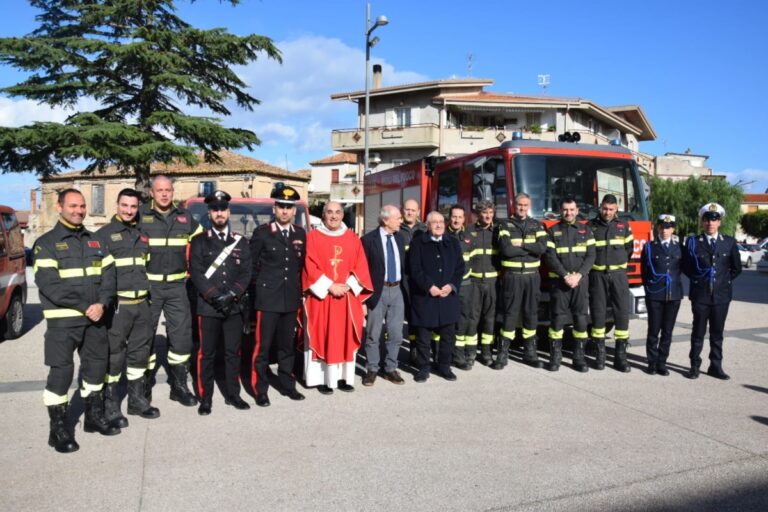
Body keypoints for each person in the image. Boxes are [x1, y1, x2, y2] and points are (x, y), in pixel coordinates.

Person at [35, 188, 119, 453]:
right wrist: (86, 306)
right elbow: (50, 285)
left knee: (95, 369)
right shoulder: (45, 244)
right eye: (73, 206)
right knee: (61, 374)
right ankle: (58, 430)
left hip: (95, 320)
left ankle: (93, 418)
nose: (79, 210)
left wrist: (103, 303)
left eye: (82, 206)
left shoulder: (96, 242)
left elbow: (109, 277)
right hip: (63, 323)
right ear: (59, 208)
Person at [96, 189, 160, 427]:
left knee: (139, 354)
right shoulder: (103, 235)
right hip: (118, 307)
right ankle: (110, 406)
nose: (129, 211)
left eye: (133, 207)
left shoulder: (143, 236)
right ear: (117, 205)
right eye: (125, 205)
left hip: (142, 304)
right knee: (114, 356)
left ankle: (136, 401)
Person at [139, 175, 202, 407]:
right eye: (160, 190)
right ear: (152, 193)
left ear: (172, 192)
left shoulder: (185, 218)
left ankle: (179, 386)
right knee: (144, 337)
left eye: (168, 190)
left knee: (182, 338)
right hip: (149, 288)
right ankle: (143, 385)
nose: (164, 194)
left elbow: (202, 244)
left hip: (177, 287)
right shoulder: (140, 216)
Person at [189, 190, 252, 415]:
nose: (219, 213)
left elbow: (246, 272)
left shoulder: (241, 242)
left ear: (229, 212)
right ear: (209, 213)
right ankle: (206, 398)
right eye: (215, 209)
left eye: (222, 209)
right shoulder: (199, 241)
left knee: (232, 353)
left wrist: (232, 294)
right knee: (206, 354)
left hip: (233, 307)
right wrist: (215, 295)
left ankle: (233, 394)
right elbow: (196, 272)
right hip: (209, 306)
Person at [302, 201, 373, 393]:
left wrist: (348, 286)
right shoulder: (313, 238)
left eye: (338, 212)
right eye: (330, 212)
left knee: (345, 336)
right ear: (323, 215)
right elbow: (309, 266)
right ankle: (323, 379)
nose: (334, 216)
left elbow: (361, 267)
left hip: (347, 298)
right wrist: (330, 286)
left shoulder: (352, 238)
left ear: (343, 215)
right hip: (322, 299)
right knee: (323, 335)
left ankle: (345, 378)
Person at [249, 184, 307, 405]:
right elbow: (252, 266)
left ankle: (287, 384)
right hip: (268, 300)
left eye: (289, 207)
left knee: (286, 347)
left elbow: (301, 266)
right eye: (281, 206)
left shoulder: (300, 234)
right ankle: (260, 389)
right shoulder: (262, 233)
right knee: (262, 348)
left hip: (290, 299)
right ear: (274, 209)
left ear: (294, 211)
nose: (285, 211)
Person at [682, 202, 742, 380]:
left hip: (721, 296)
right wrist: (698, 279)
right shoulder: (693, 242)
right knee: (698, 332)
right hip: (700, 295)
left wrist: (723, 281)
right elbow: (686, 265)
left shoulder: (729, 242)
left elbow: (736, 268)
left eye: (714, 220)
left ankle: (716, 366)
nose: (710, 223)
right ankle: (694, 365)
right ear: (702, 222)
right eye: (707, 219)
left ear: (719, 222)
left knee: (717, 334)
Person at [408, 211, 465, 382]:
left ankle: (444, 366)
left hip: (448, 297)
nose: (439, 225)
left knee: (448, 336)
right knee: (423, 337)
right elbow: (415, 269)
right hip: (426, 298)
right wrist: (429, 286)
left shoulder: (453, 243)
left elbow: (460, 268)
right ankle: (424, 368)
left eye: (441, 221)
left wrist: (451, 286)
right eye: (435, 222)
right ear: (427, 225)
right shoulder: (418, 243)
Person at [495, 193, 547, 370]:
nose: (522, 208)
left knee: (531, 313)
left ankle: (530, 353)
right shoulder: (504, 225)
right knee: (510, 314)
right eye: (519, 205)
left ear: (529, 206)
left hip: (532, 276)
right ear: (513, 205)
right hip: (513, 276)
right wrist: (530, 250)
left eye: (525, 205)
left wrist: (522, 246)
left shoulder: (537, 225)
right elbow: (507, 251)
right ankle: (503, 354)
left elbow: (542, 248)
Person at [545, 197, 596, 372]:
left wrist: (579, 275)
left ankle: (579, 358)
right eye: (566, 209)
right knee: (557, 319)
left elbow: (591, 256)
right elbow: (550, 257)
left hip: (580, 283)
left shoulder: (586, 230)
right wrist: (566, 275)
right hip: (560, 283)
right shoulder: (552, 231)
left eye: (572, 209)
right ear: (561, 210)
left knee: (581, 319)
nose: (569, 213)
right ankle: (555, 358)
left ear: (577, 210)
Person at [361, 205, 407, 386]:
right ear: (386, 220)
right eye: (398, 218)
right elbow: (362, 271)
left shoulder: (400, 238)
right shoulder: (368, 240)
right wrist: (364, 298)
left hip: (397, 290)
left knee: (396, 333)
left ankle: (390, 369)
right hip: (377, 292)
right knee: (373, 333)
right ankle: (372, 369)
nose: (401, 221)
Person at [589, 194, 634, 372]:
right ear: (600, 207)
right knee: (598, 313)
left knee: (621, 313)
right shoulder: (591, 227)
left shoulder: (624, 226)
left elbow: (628, 250)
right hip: (597, 275)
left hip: (618, 275)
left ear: (616, 209)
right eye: (605, 209)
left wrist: (617, 265)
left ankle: (620, 357)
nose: (607, 212)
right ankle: (600, 356)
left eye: (611, 209)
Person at [641, 214, 683, 376]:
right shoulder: (649, 247)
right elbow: (645, 272)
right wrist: (650, 289)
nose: (665, 230)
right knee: (653, 330)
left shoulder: (680, 247)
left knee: (667, 331)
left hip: (673, 295)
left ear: (673, 229)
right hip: (655, 295)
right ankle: (652, 362)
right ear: (657, 228)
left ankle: (662, 362)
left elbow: (682, 269)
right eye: (662, 227)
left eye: (668, 227)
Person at [461, 200, 500, 367]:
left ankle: (486, 352)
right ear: (478, 214)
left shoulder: (498, 231)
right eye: (485, 213)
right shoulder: (469, 231)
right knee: (473, 318)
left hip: (492, 282)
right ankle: (470, 353)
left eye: (491, 212)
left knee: (489, 319)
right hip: (475, 282)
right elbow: (465, 257)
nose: (488, 216)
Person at [446, 204, 473, 370]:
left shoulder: (470, 236)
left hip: (465, 285)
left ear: (464, 219)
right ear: (450, 217)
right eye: (454, 216)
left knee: (463, 322)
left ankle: (459, 355)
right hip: (447, 287)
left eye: (460, 217)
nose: (456, 220)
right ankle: (444, 355)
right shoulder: (443, 235)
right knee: (446, 322)